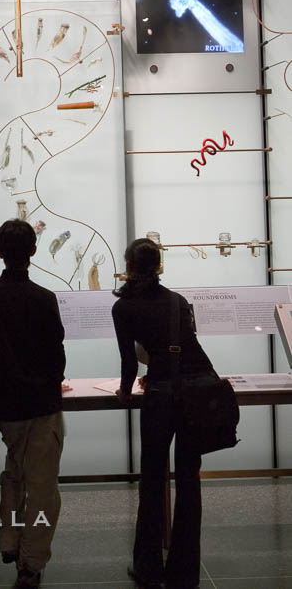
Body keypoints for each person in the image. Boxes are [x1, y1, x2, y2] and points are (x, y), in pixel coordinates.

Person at [112, 238, 217, 589]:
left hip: (159, 394)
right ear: (159, 266)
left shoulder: (124, 308)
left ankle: (148, 567)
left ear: (129, 266)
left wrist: (126, 391)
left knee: (153, 481)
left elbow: (130, 361)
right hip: (193, 392)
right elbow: (188, 346)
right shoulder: (177, 301)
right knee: (189, 481)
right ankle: (185, 570)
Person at [0, 219, 66, 589]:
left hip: (5, 405)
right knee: (42, 486)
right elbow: (56, 353)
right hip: (42, 404)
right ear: (33, 251)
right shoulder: (44, 298)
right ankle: (31, 562)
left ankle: (9, 540)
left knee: (13, 472)